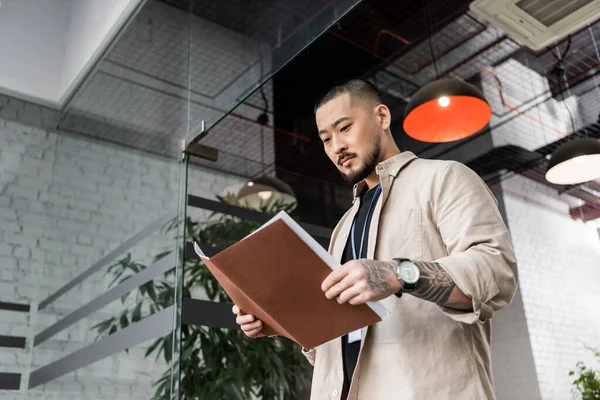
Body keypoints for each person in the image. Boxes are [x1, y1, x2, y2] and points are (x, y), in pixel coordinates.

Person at [232, 78, 518, 399]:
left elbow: (495, 272)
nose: (336, 146)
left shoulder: (444, 178)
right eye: (326, 139)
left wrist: (398, 274)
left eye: (344, 128)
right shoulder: (343, 227)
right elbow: (335, 339)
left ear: (382, 117)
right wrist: (282, 323)